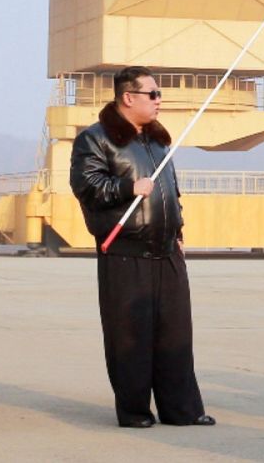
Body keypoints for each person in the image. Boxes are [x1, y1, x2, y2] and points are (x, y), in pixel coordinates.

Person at [70, 66, 214, 429]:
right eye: (152, 94)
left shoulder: (158, 141)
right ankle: (135, 411)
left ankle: (182, 410)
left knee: (175, 334)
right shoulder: (95, 139)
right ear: (128, 97)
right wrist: (127, 188)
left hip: (167, 252)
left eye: (159, 94)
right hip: (125, 253)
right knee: (130, 336)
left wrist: (177, 229)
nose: (158, 100)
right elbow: (87, 186)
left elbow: (170, 190)